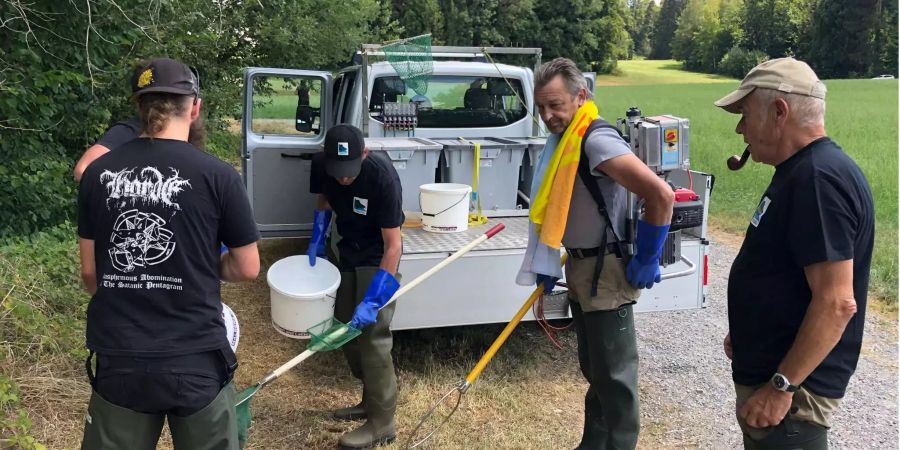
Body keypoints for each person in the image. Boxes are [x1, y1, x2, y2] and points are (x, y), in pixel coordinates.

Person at [77, 57, 260, 449]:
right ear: (194, 107)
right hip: (195, 359)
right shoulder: (220, 176)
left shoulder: (97, 174)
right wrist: (196, 265)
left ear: (140, 108)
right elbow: (247, 268)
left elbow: (91, 276)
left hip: (120, 356)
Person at [715, 57, 875, 449]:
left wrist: (782, 386)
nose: (740, 128)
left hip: (792, 400)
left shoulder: (818, 180)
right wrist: (752, 326)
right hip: (776, 374)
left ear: (779, 112)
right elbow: (787, 271)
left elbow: (837, 302)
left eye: (745, 115)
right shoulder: (800, 171)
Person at [517, 57, 674, 449]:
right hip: (583, 269)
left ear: (580, 96)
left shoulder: (595, 140)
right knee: (597, 371)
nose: (548, 115)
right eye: (541, 107)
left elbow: (661, 194)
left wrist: (649, 256)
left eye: (556, 104)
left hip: (607, 273)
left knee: (616, 380)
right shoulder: (564, 140)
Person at [307, 124, 404, 449]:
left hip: (378, 257)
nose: (343, 179)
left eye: (349, 172)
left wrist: (374, 299)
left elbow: (394, 245)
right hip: (347, 249)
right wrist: (318, 237)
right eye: (338, 171)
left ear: (364, 154)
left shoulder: (382, 175)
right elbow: (324, 199)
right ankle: (370, 398)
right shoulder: (322, 165)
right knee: (345, 330)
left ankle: (382, 422)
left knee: (373, 336)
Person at [74, 63, 207, 182]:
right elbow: (83, 170)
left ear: (139, 104)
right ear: (194, 108)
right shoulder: (129, 130)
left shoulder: (188, 137)